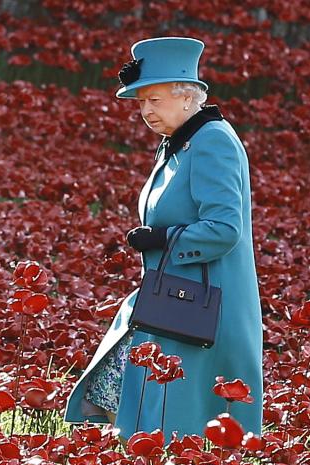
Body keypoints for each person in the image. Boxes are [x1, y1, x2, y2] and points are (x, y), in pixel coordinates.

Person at [63, 37, 264, 440]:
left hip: (204, 303)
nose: (146, 111)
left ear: (188, 96)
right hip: (173, 297)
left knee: (183, 416)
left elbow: (226, 228)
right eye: (141, 103)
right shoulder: (180, 142)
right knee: (144, 393)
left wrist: (164, 238)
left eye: (154, 99)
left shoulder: (212, 141)